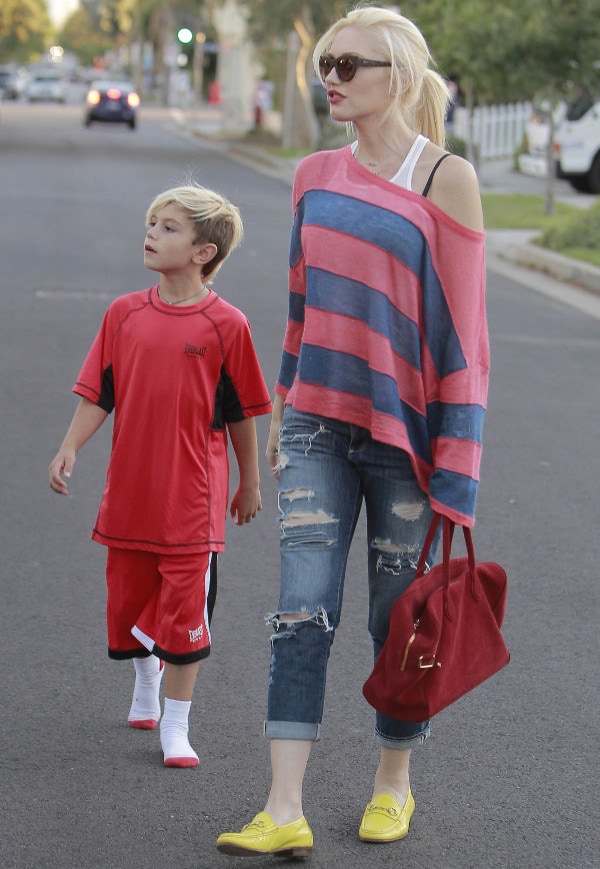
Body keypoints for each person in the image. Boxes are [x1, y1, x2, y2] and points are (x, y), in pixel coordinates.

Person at [216, 4, 488, 858]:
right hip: (316, 428)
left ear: (396, 75)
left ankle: (392, 782)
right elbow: (301, 304)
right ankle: (283, 803)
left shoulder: (444, 176)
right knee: (301, 610)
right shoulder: (313, 173)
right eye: (326, 64)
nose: (331, 77)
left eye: (349, 64)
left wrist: (459, 462)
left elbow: (465, 338)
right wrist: (285, 404)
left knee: (395, 618)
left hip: (407, 440)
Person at [49, 184, 272, 768]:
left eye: (169, 228)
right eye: (152, 223)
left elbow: (241, 412)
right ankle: (145, 682)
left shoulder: (227, 325)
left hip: (191, 501)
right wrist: (69, 446)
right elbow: (102, 392)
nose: (151, 234)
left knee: (183, 611)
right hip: (129, 494)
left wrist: (248, 482)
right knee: (128, 604)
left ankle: (178, 724)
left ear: (204, 251)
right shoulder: (123, 313)